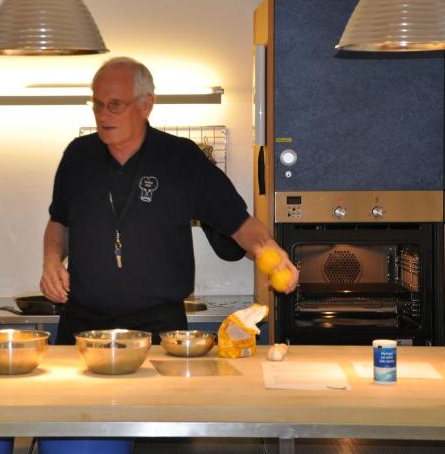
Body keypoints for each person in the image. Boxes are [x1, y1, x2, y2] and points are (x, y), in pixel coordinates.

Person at [40, 56, 298, 345]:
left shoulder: (181, 159)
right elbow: (59, 222)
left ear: (146, 104)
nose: (103, 115)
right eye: (97, 104)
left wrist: (268, 249)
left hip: (158, 330)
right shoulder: (78, 156)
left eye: (115, 105)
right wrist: (51, 261)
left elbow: (240, 224)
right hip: (81, 327)